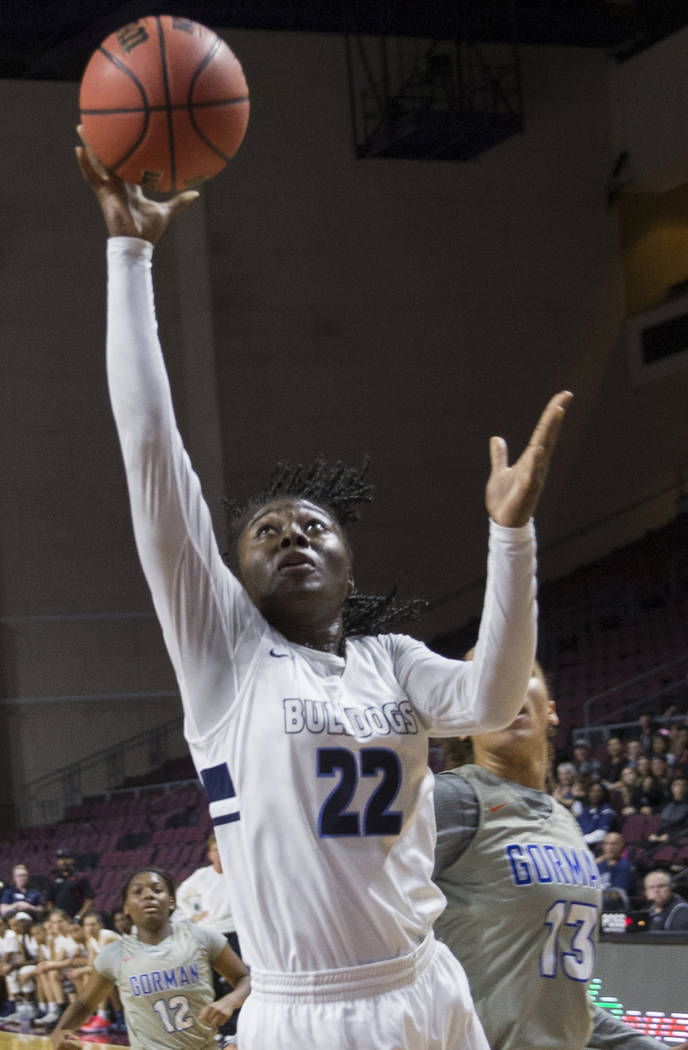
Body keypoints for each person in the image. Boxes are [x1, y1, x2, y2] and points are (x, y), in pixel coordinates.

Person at [76, 128, 572, 1050]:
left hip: (429, 985)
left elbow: (495, 698)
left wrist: (510, 535)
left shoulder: (393, 661)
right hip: (308, 1013)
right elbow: (150, 448)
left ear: (348, 561)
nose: (294, 536)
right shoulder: (224, 656)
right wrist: (131, 251)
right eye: (267, 531)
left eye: (316, 527)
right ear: (235, 572)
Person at [433, 663, 685, 1050]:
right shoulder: (450, 799)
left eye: (518, 669)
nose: (502, 681)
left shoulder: (565, 823)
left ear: (551, 710)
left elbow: (560, 1003)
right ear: (463, 721)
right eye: (482, 679)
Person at [50, 868, 249, 1050]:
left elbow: (245, 979)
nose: (148, 895)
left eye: (157, 889)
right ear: (126, 907)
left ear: (171, 901)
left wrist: (230, 1001)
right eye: (138, 892)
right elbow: (84, 1003)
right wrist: (61, 1029)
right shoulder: (113, 954)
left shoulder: (202, 936)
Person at [174, 835, 242, 1039]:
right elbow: (181, 895)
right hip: (211, 933)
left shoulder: (239, 872)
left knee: (237, 981)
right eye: (215, 849)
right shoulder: (202, 875)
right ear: (210, 854)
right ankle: (219, 1028)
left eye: (222, 848)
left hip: (236, 932)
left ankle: (237, 1028)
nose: (220, 853)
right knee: (210, 981)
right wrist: (191, 914)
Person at [46, 850, 94, 921]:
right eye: (60, 859)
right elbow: (49, 900)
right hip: (59, 919)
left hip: (75, 917)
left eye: (66, 858)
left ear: (72, 860)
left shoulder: (80, 877)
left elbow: (89, 899)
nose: (63, 862)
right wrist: (52, 915)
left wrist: (78, 917)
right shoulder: (53, 878)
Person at [597, 831, 637, 909]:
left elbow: (617, 894)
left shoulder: (625, 866)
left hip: (615, 908)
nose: (609, 847)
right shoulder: (599, 864)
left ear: (621, 845)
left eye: (613, 844)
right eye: (606, 843)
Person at [576, 781, 618, 853]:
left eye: (598, 791)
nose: (595, 794)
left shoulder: (607, 810)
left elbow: (602, 834)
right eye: (592, 791)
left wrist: (580, 841)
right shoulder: (586, 810)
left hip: (594, 847)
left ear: (604, 794)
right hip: (579, 845)